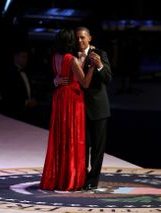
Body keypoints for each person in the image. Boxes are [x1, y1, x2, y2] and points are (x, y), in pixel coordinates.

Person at [55, 26, 112, 190]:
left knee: (97, 148)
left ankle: (92, 181)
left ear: (90, 38)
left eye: (82, 37)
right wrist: (56, 81)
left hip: (98, 108)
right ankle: (80, 177)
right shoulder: (70, 54)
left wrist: (100, 65)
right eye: (77, 38)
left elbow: (108, 79)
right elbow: (59, 72)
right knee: (81, 146)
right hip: (77, 109)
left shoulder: (99, 54)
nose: (79, 41)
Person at [40, 28, 95, 191]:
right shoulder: (70, 59)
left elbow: (57, 77)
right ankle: (71, 179)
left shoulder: (55, 57)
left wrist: (56, 80)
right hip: (72, 99)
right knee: (72, 138)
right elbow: (84, 83)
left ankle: (57, 178)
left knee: (60, 138)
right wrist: (92, 67)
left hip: (59, 98)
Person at [1, 47, 38, 123]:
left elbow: (30, 90)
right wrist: (26, 102)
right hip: (14, 113)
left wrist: (33, 99)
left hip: (27, 113)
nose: (26, 59)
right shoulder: (9, 74)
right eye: (23, 56)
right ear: (16, 57)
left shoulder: (27, 73)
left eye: (26, 57)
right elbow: (9, 94)